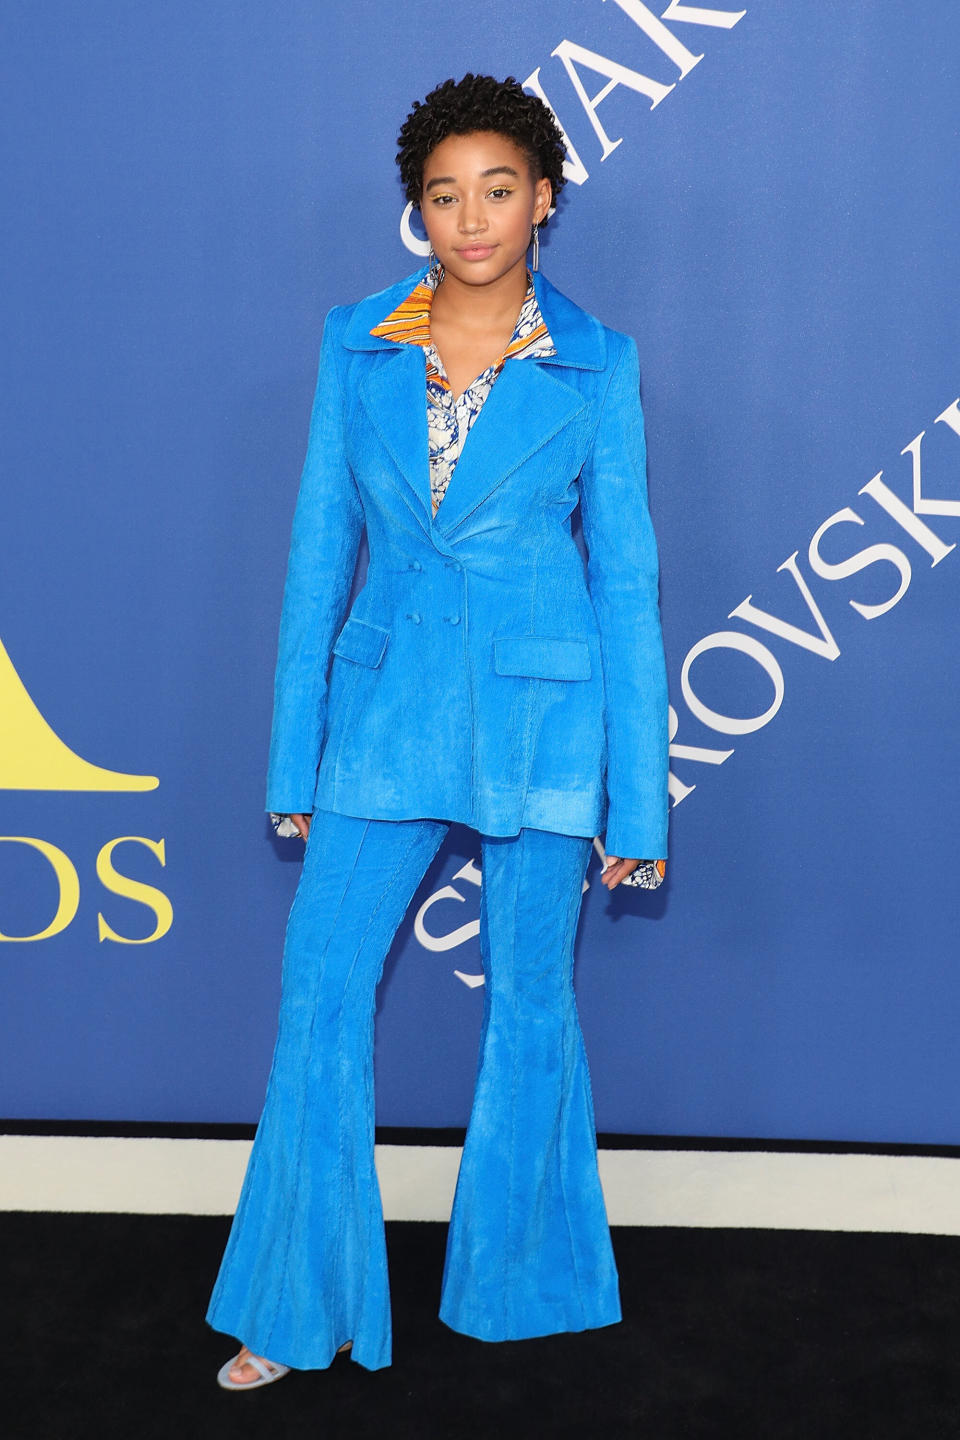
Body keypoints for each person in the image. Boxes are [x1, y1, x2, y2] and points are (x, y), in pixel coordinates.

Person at [206, 72, 669, 1390]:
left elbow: (627, 581)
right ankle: (294, 1307)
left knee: (530, 1002)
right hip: (386, 708)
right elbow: (315, 560)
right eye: (444, 193)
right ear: (418, 210)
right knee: (318, 993)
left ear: (544, 199)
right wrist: (294, 754)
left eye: (499, 188)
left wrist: (639, 803)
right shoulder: (355, 345)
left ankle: (524, 1289)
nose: (472, 216)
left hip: (543, 719)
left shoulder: (598, 363)